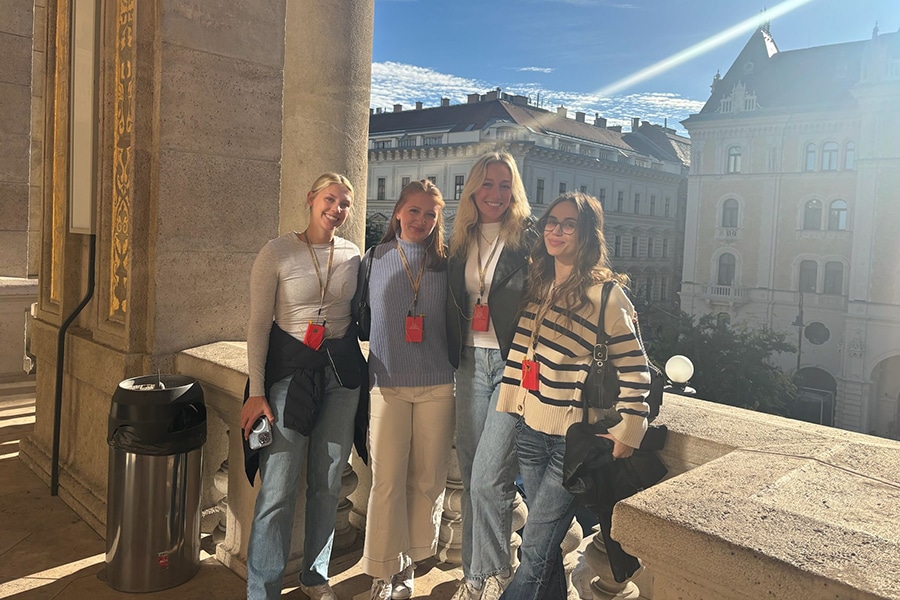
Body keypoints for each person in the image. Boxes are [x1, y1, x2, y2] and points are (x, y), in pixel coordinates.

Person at [496, 192, 652, 600]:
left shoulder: (606, 295)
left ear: (587, 235)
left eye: (568, 224)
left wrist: (630, 426)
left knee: (533, 549)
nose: (555, 231)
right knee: (545, 549)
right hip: (531, 430)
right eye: (551, 221)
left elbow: (636, 366)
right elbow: (523, 353)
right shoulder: (539, 284)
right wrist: (514, 404)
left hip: (575, 442)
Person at [241, 173, 364, 600]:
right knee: (277, 487)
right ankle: (262, 590)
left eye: (345, 204)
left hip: (341, 376)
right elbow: (258, 324)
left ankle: (315, 576)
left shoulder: (352, 254)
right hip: (289, 377)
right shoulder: (276, 251)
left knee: (329, 481)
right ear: (311, 199)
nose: (337, 209)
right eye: (330, 199)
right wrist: (257, 390)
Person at [358, 180, 456, 600]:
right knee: (386, 481)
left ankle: (410, 564)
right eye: (414, 211)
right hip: (387, 385)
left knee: (429, 480)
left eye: (431, 214)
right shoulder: (372, 259)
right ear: (398, 211)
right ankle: (384, 569)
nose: (421, 221)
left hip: (438, 385)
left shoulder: (448, 266)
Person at [446, 151, 536, 600]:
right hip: (467, 362)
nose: (495, 194)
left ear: (514, 190)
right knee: (470, 471)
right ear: (473, 190)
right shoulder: (460, 239)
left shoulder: (529, 240)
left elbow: (570, 279)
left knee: (489, 477)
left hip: (512, 366)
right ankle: (473, 577)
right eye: (487, 184)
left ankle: (497, 574)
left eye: (504, 185)